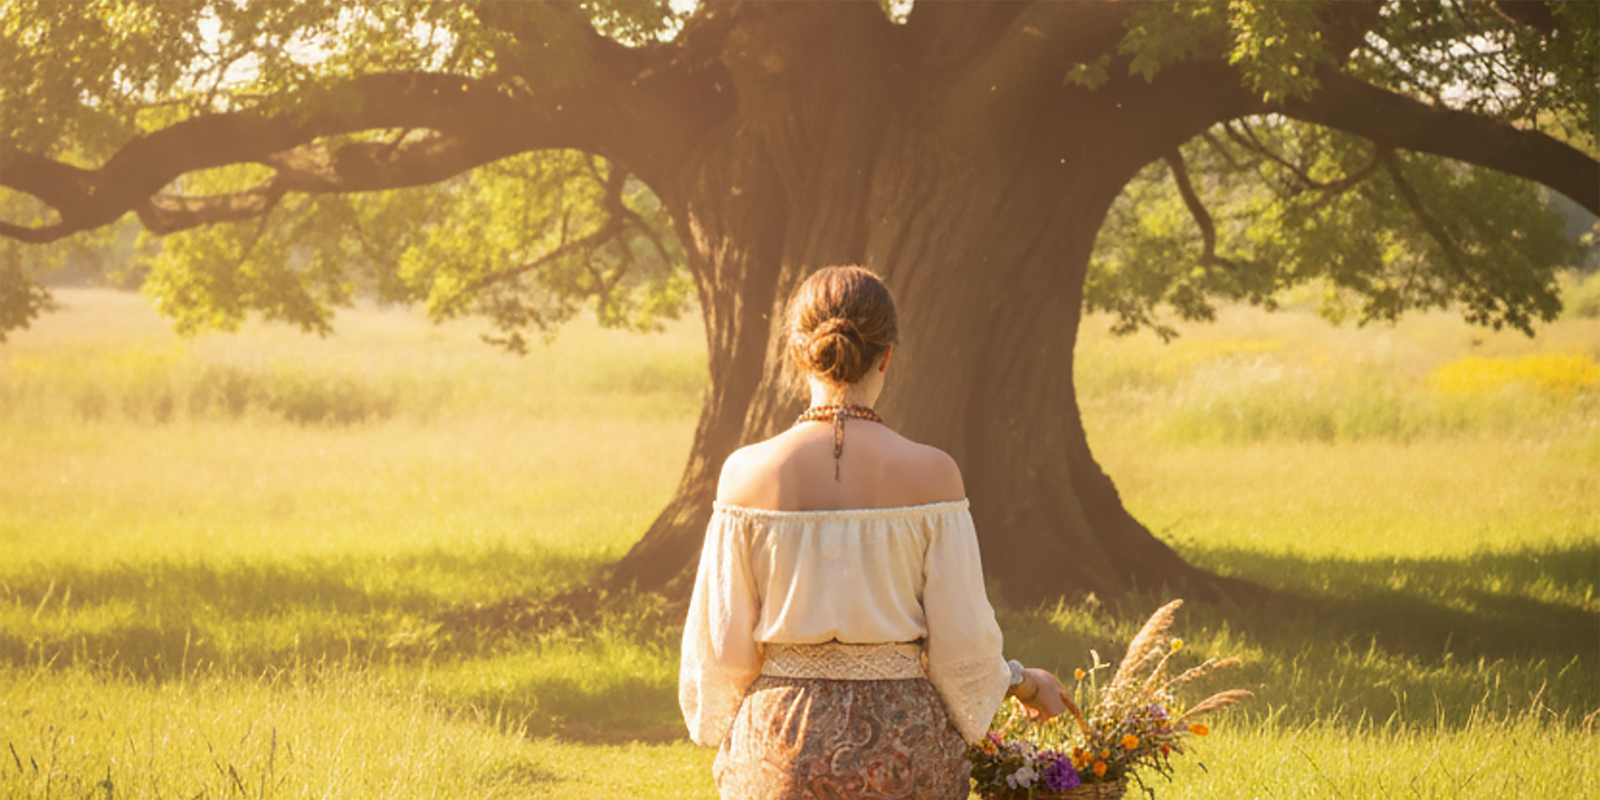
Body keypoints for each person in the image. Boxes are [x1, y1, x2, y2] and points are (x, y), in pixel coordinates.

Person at [680, 266, 1067, 800]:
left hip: (779, 749)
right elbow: (964, 651)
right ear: (887, 355)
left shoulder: (745, 474)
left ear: (799, 351)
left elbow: (723, 649)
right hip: (904, 752)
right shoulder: (934, 474)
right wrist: (1025, 682)